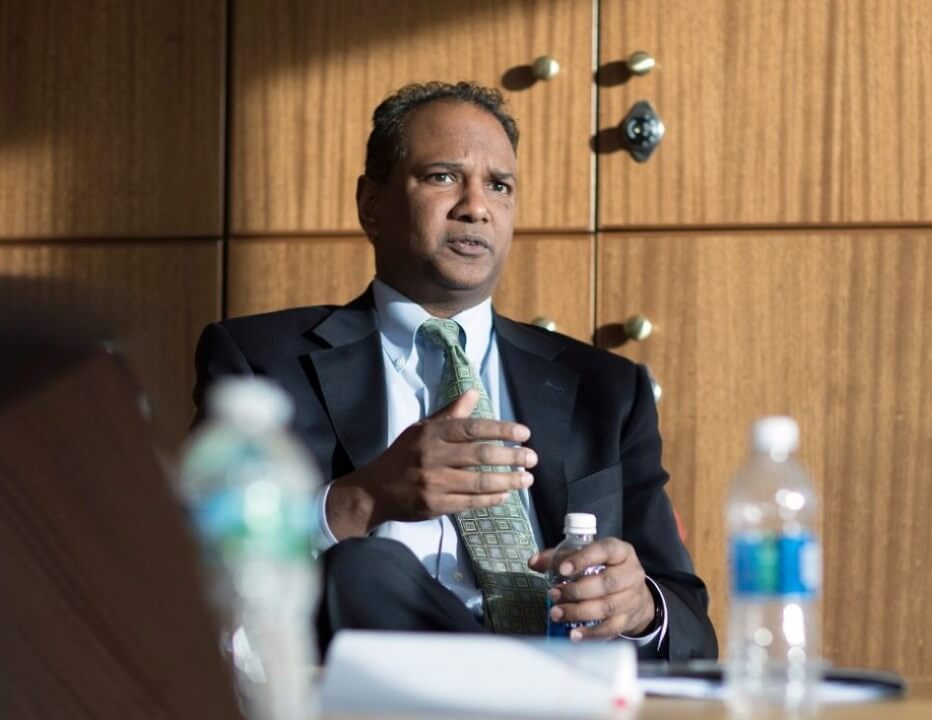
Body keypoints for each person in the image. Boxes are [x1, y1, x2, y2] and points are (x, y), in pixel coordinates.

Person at [192, 81, 717, 660]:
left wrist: (641, 608)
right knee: (365, 569)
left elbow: (691, 626)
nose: (476, 206)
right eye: (442, 177)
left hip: (566, 684)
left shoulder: (608, 389)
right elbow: (189, 574)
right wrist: (363, 500)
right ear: (371, 205)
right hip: (376, 687)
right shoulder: (261, 362)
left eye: (499, 185)